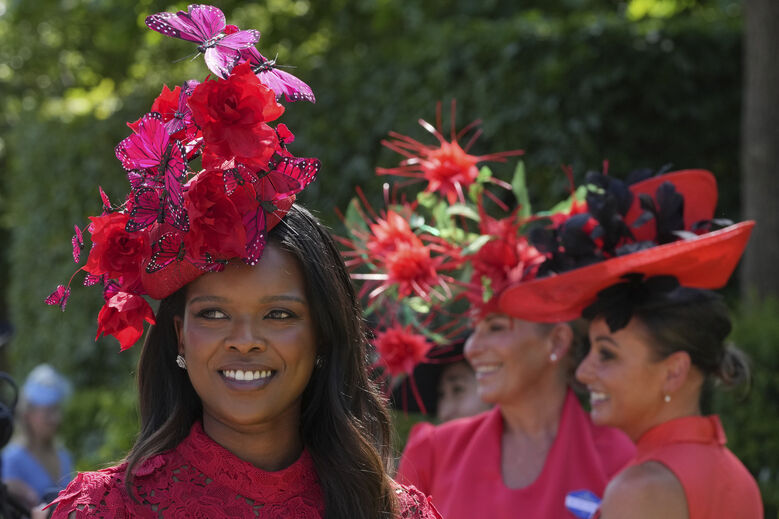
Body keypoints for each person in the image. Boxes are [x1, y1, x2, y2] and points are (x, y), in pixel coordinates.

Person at [43, 5, 440, 518]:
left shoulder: (393, 511)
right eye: (213, 313)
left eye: (279, 314)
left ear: (322, 333)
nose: (245, 339)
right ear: (180, 336)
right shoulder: (105, 509)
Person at [337, 109, 641, 518]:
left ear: (557, 342)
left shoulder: (619, 456)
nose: (475, 347)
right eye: (477, 329)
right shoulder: (435, 451)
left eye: (496, 327)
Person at [498, 170, 764, 518]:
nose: (583, 370)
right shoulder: (738, 478)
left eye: (607, 353)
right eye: (590, 349)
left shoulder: (641, 489)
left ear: (674, 372)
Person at [2, 365, 73, 509]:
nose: (55, 419)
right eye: (48, 412)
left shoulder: (64, 456)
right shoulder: (12, 458)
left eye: (57, 410)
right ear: (28, 415)